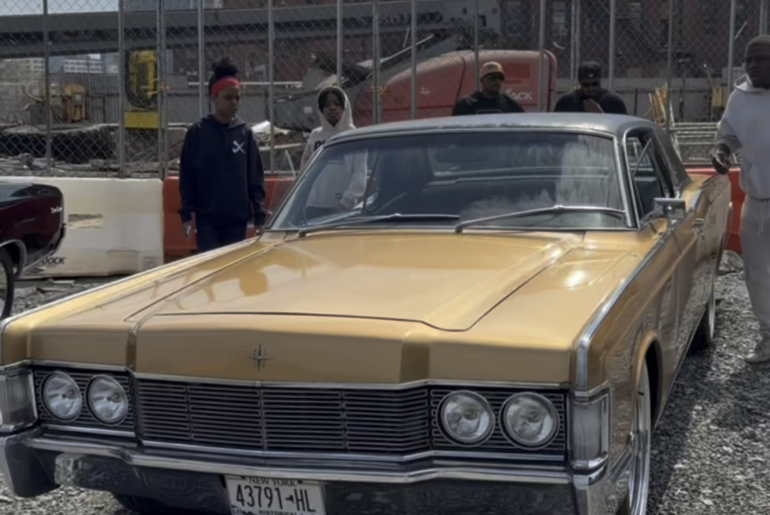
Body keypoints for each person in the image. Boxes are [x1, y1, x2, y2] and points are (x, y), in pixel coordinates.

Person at [712, 35, 770, 364]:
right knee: (757, 274)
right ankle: (768, 336)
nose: (752, 65)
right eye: (748, 59)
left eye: (760, 59)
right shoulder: (740, 97)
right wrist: (721, 151)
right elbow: (729, 135)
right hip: (757, 200)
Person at [178, 58, 266, 253]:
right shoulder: (198, 133)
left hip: (237, 219)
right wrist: (186, 216)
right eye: (228, 98)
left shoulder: (245, 134)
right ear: (214, 97)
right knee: (211, 266)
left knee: (233, 267)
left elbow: (255, 178)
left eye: (237, 98)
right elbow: (187, 178)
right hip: (207, 218)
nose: (234, 102)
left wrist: (259, 215)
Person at [300, 86, 367, 219]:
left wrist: (345, 203)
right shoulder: (316, 135)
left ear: (344, 107)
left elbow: (359, 174)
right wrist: (303, 197)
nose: (332, 108)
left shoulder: (354, 136)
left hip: (343, 208)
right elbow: (304, 169)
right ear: (321, 109)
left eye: (337, 104)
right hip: (313, 205)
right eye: (327, 105)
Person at [452, 62, 525, 116]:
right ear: (482, 80)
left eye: (500, 78)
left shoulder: (509, 103)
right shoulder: (467, 104)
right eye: (492, 77)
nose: (497, 81)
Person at [554, 62, 627, 115]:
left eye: (595, 84)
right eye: (586, 85)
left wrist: (599, 114)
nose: (591, 88)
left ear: (600, 81)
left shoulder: (613, 102)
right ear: (580, 83)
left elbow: (620, 126)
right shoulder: (567, 102)